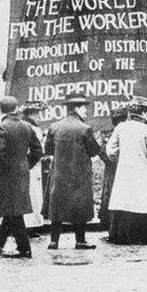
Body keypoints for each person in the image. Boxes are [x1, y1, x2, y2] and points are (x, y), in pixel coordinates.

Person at [0, 96, 44, 258]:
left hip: (6, 175)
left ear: (1, 110)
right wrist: (26, 165)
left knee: (13, 210)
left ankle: (24, 248)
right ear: (16, 108)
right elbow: (37, 151)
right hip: (22, 173)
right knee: (12, 208)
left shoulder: (3, 127)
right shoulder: (27, 126)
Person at [43, 93, 101, 250]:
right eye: (84, 108)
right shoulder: (85, 129)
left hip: (59, 173)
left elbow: (48, 149)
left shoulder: (54, 127)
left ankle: (54, 241)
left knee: (57, 206)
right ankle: (80, 241)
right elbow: (94, 151)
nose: (86, 112)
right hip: (79, 174)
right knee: (80, 206)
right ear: (76, 108)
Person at [105, 97, 147, 245]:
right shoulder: (146, 129)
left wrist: (120, 160)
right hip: (142, 173)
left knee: (124, 201)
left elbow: (110, 151)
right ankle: (141, 236)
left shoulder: (121, 127)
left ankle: (120, 236)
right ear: (143, 112)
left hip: (124, 173)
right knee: (141, 202)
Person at [97, 105, 128, 232]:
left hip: (111, 168)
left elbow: (101, 151)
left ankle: (107, 221)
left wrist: (110, 162)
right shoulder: (121, 132)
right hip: (119, 167)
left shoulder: (108, 134)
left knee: (109, 193)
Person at [20, 100, 48, 231]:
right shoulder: (33, 128)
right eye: (36, 113)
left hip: (23, 163)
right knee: (33, 193)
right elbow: (38, 150)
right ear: (31, 114)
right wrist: (30, 163)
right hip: (32, 165)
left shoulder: (22, 125)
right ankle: (31, 224)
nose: (38, 116)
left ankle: (28, 223)